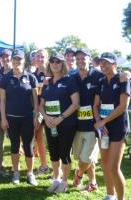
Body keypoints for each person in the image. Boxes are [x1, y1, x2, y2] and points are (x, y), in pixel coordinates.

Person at [39, 52, 79, 193]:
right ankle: (56, 178)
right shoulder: (47, 83)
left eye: (58, 62)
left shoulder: (69, 80)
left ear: (63, 64)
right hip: (50, 124)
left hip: (66, 124)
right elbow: (40, 105)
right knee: (54, 153)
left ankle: (64, 181)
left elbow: (75, 103)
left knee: (64, 154)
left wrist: (60, 118)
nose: (55, 64)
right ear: (49, 64)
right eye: (52, 61)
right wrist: (46, 117)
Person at [0, 49, 40, 186]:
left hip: (27, 118)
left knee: (28, 146)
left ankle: (30, 173)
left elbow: (35, 100)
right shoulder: (5, 78)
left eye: (19, 60)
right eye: (15, 60)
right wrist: (3, 118)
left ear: (24, 61)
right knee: (15, 146)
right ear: (11, 61)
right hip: (11, 119)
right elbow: (2, 100)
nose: (17, 62)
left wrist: (36, 116)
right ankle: (15, 172)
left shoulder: (31, 78)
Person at [93, 52, 130, 200]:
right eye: (101, 63)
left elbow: (123, 106)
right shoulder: (101, 81)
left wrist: (103, 122)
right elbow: (96, 105)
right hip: (103, 129)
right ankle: (110, 195)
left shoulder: (123, 79)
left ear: (114, 64)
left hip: (117, 128)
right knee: (106, 164)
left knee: (114, 167)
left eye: (106, 63)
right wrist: (99, 124)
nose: (103, 65)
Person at [72, 48, 103, 192]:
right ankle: (93, 183)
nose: (80, 61)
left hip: (93, 125)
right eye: (77, 59)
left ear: (89, 59)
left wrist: (126, 74)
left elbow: (112, 78)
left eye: (83, 58)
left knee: (87, 157)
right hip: (77, 125)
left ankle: (78, 174)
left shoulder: (98, 76)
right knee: (81, 157)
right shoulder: (73, 77)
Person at [32, 48, 51, 175]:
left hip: (51, 111)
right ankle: (44, 165)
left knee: (53, 139)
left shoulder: (53, 73)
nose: (39, 59)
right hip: (37, 111)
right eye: (37, 56)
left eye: (42, 57)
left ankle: (58, 168)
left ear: (47, 58)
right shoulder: (33, 75)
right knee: (38, 138)